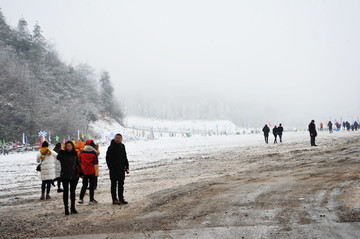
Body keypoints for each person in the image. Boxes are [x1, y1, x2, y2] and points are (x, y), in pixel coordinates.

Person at [57, 141, 83, 215]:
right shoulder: (63, 154)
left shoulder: (75, 154)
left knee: (73, 192)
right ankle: (66, 208)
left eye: (70, 146)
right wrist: (61, 151)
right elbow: (58, 158)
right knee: (65, 192)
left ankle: (73, 207)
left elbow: (78, 163)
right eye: (67, 146)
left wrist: (81, 171)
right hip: (65, 175)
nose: (68, 147)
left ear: (72, 146)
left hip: (74, 175)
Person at [106, 133, 129, 205]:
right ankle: (114, 199)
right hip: (113, 169)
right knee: (113, 184)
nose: (118, 139)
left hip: (121, 168)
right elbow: (108, 159)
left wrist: (126, 166)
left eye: (119, 138)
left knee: (121, 184)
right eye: (116, 138)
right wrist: (111, 168)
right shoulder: (111, 147)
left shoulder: (122, 146)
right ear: (114, 138)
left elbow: (125, 156)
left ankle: (121, 198)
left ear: (121, 139)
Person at [79, 140, 99, 204]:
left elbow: (80, 161)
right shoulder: (93, 153)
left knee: (84, 185)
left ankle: (81, 199)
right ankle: (91, 199)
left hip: (84, 171)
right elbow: (96, 162)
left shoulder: (82, 152)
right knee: (91, 186)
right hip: (91, 171)